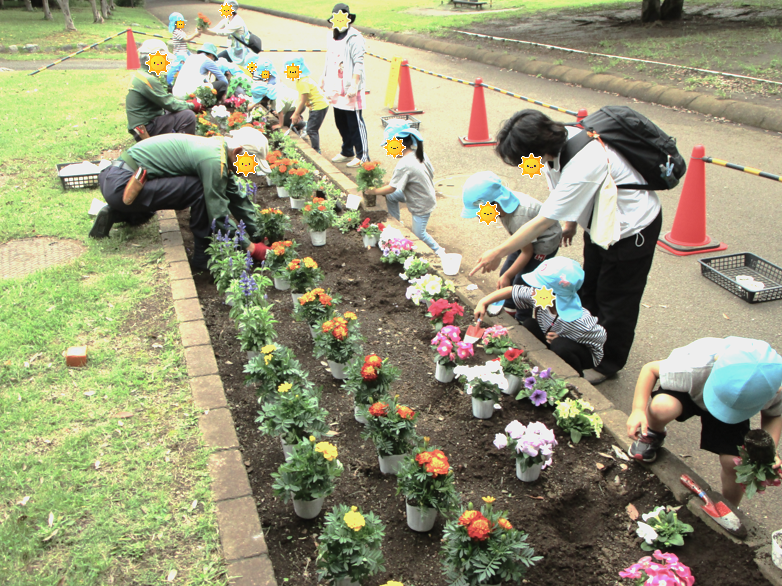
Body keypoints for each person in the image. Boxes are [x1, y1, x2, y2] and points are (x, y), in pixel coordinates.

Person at [470, 109, 663, 385]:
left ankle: (607, 363)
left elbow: (541, 222)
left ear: (537, 147)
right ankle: (582, 338)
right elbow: (560, 193)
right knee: (590, 286)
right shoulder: (556, 150)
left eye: (524, 156)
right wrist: (571, 222)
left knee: (616, 299)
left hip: (631, 229)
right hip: (600, 226)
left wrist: (497, 252)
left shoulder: (585, 160)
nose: (525, 163)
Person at [626, 337, 782, 507]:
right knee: (661, 407)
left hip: (735, 414)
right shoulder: (693, 366)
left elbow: (774, 414)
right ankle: (653, 433)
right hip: (693, 390)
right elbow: (650, 370)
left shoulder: (774, 386)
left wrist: (768, 451)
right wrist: (638, 410)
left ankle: (729, 506)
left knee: (734, 463)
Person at [90, 128, 272, 270]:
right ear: (238, 151)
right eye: (250, 164)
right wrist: (251, 248)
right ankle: (202, 256)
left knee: (157, 206)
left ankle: (117, 213)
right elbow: (218, 214)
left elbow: (237, 199)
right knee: (199, 189)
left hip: (117, 179)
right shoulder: (214, 161)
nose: (250, 170)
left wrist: (259, 234)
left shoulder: (219, 150)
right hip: (123, 186)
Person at [474, 257, 606, 378]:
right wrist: (483, 302)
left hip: (579, 352)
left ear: (553, 293)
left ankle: (576, 377)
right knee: (529, 324)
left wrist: (567, 338)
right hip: (549, 338)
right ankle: (543, 363)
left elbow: (601, 336)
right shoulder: (542, 297)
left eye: (539, 287)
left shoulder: (579, 320)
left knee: (561, 346)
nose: (534, 290)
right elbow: (511, 290)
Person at [461, 171, 562, 322]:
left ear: (494, 204)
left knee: (523, 281)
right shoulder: (503, 203)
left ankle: (523, 318)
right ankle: (510, 306)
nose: (479, 216)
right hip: (525, 243)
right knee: (505, 273)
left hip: (542, 245)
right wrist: (506, 273)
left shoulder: (518, 216)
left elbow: (527, 252)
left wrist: (508, 275)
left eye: (480, 212)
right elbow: (521, 243)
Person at [364, 120, 445, 258]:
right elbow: (431, 172)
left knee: (419, 234)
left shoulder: (404, 164)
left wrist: (373, 191)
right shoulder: (419, 153)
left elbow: (391, 188)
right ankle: (396, 225)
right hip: (425, 194)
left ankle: (440, 252)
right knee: (391, 197)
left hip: (421, 203)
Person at [321, 2, 368, 167]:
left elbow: (359, 63)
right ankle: (347, 151)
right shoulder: (331, 36)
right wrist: (323, 78)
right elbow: (329, 60)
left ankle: (362, 155)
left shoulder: (355, 38)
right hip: (335, 87)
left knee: (354, 122)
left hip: (349, 87)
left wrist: (354, 84)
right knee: (341, 122)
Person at [126, 40, 199, 141]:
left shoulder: (141, 74)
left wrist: (184, 104)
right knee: (188, 116)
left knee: (173, 111)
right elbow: (170, 104)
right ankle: (183, 148)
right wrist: (193, 105)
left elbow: (165, 101)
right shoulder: (148, 79)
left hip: (143, 123)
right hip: (146, 128)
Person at [288, 56, 330, 153]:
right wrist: (296, 113)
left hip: (319, 106)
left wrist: (296, 114)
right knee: (311, 127)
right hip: (315, 106)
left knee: (312, 130)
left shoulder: (303, 82)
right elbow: (300, 98)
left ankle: (316, 151)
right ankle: (307, 126)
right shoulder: (300, 80)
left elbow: (302, 101)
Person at [208, 0, 251, 65]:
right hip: (232, 51)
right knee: (215, 61)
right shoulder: (227, 19)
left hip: (242, 53)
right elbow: (215, 29)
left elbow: (224, 32)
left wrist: (205, 30)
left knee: (239, 70)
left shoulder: (237, 21)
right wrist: (204, 29)